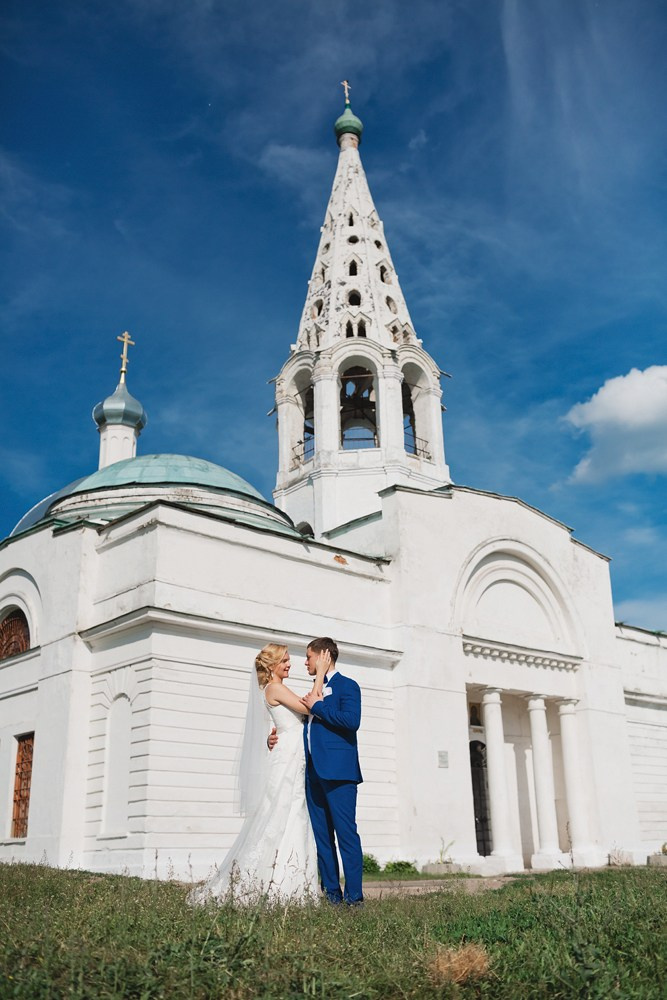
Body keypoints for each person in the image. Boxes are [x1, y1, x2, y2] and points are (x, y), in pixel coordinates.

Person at [189, 643, 326, 904]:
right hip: (288, 758)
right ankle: (273, 884)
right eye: (284, 660)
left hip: (291, 755)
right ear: (272, 665)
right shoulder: (275, 687)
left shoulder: (274, 688)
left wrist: (272, 737)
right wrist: (319, 674)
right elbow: (311, 708)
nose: (289, 664)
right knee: (279, 815)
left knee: (293, 815)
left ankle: (291, 886)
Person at [301, 637, 364, 905]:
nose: (305, 662)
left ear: (324, 656)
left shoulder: (347, 686)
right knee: (322, 838)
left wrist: (317, 707)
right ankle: (332, 896)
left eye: (308, 657)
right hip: (313, 773)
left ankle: (354, 898)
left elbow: (352, 721)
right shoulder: (313, 689)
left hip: (339, 774)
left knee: (346, 835)